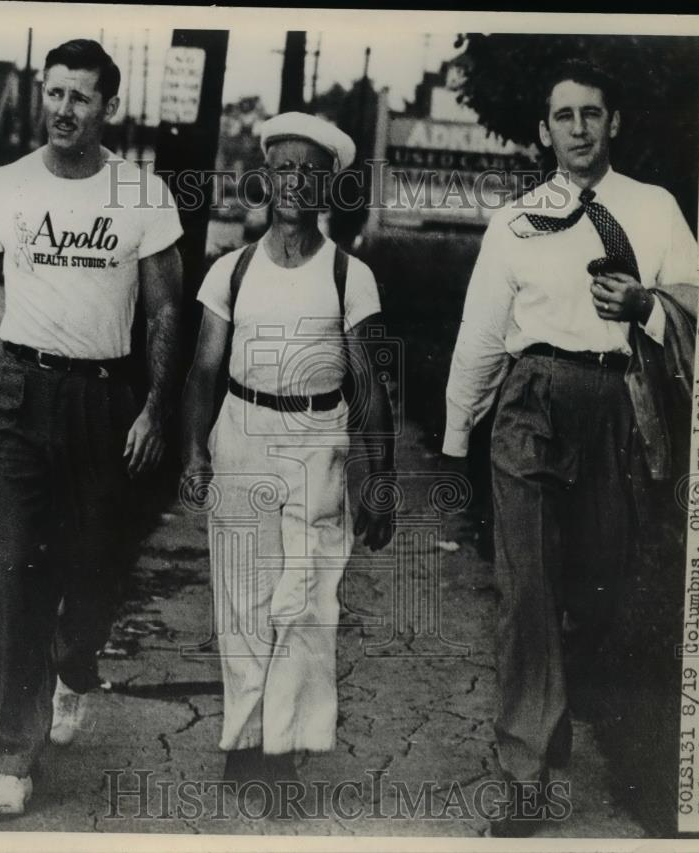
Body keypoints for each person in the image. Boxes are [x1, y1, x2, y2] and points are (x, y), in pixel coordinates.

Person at [0, 39, 183, 815]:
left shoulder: (143, 194)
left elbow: (165, 312)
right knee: (11, 570)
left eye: (80, 96)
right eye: (54, 92)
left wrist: (157, 409)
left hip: (104, 401)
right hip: (18, 396)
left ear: (108, 107)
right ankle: (13, 756)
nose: (63, 109)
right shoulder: (6, 187)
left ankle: (74, 660)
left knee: (96, 566)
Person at [442, 59, 699, 834]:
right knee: (526, 588)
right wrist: (457, 436)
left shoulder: (652, 209)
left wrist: (646, 302)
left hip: (619, 404)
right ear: (543, 130)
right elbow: (482, 337)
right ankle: (523, 771)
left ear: (612, 123)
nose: (579, 128)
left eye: (592, 114)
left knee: (602, 583)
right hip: (533, 401)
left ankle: (558, 703)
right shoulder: (516, 221)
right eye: (564, 116)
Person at [180, 113, 395, 804]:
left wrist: (380, 476)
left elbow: (368, 382)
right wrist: (195, 452)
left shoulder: (348, 274)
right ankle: (245, 745)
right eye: (284, 168)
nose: (296, 181)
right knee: (243, 599)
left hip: (316, 443)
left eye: (311, 169)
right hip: (241, 433)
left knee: (304, 600)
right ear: (265, 178)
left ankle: (282, 749)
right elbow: (203, 370)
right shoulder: (230, 270)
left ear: (329, 184)